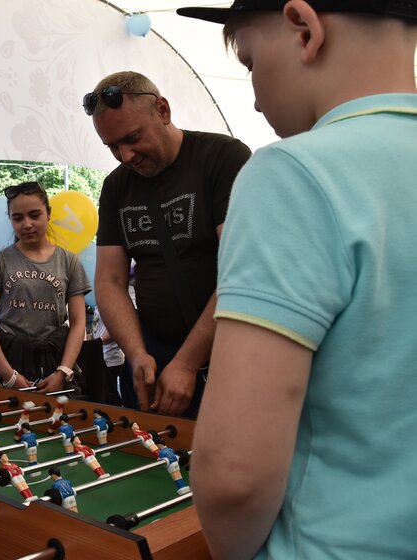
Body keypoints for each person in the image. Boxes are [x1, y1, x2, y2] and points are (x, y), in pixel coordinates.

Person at [175, 1, 417, 557]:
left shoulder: (292, 173)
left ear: (305, 30)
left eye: (252, 61)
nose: (255, 96)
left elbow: (236, 476)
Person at [87, 71, 251, 418]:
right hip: (154, 354)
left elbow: (243, 270)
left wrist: (188, 363)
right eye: (112, 146)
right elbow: (110, 281)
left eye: (132, 138)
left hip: (227, 355)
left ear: (162, 110)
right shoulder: (117, 187)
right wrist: (136, 354)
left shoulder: (223, 158)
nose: (126, 155)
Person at [0, 182, 90, 393]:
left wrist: (63, 371)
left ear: (48, 214)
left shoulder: (69, 261)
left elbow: (78, 322)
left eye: (34, 215)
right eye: (17, 218)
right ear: (10, 219)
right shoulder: (0, 261)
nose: (26, 224)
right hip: (8, 359)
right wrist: (7, 373)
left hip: (55, 362)